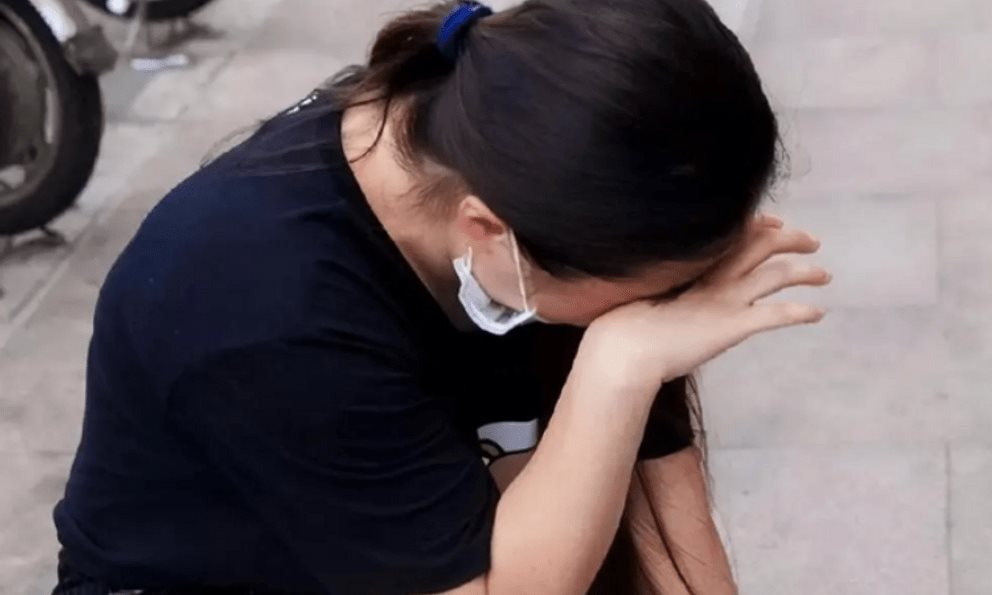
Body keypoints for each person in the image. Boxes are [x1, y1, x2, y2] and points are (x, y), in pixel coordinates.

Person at [52, 0, 830, 593]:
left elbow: (662, 507)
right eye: (655, 302)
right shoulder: (267, 312)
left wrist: (637, 353)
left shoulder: (516, 161)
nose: (660, 323)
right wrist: (618, 366)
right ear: (488, 233)